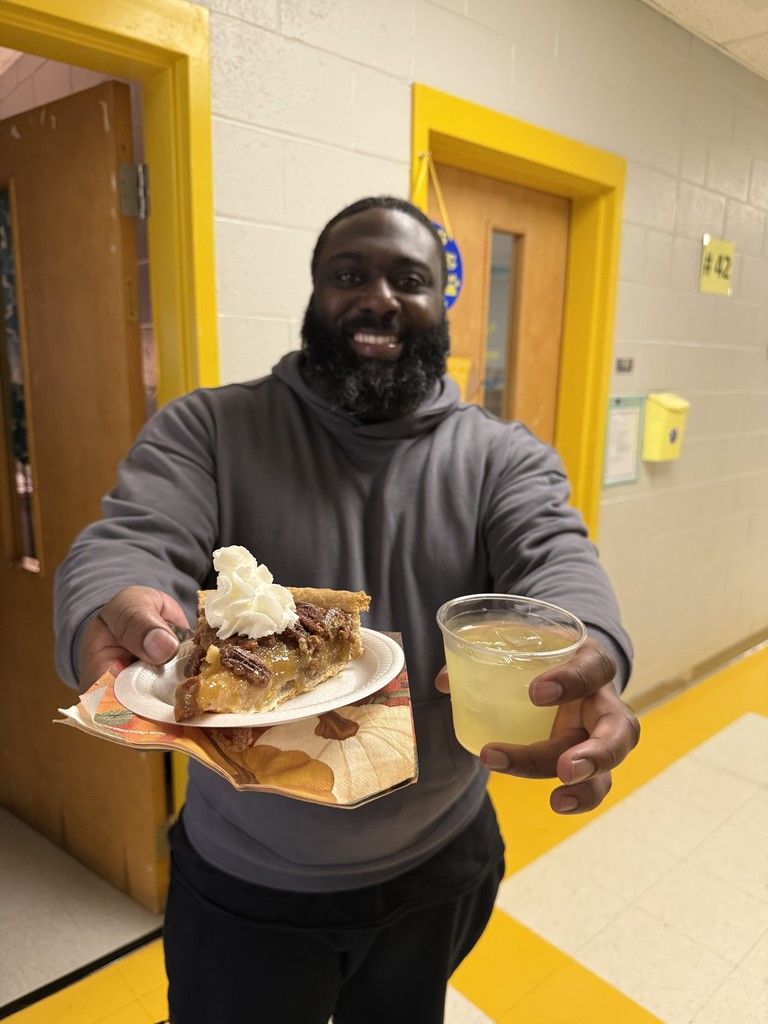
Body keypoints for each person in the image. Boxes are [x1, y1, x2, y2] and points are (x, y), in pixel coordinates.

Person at [54, 196, 639, 1024]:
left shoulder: (502, 457)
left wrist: (595, 653)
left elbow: (558, 559)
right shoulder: (210, 429)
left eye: (410, 279)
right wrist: (102, 606)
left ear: (442, 304)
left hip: (441, 860)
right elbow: (129, 541)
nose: (379, 297)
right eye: (349, 275)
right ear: (314, 293)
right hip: (248, 877)